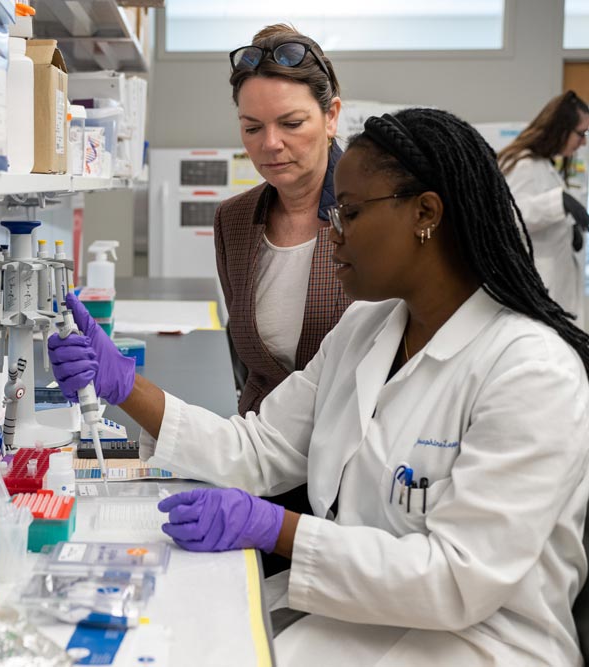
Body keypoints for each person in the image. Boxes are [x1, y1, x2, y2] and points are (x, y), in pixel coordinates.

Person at [49, 108, 589, 665]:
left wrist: (277, 529)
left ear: (426, 213)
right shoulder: (365, 330)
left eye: (350, 212)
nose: (332, 232)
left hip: (479, 645)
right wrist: (124, 385)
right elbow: (258, 449)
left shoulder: (531, 371)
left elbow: (455, 580)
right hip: (360, 619)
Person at [218, 25, 353, 572]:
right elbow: (252, 361)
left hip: (357, 477)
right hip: (265, 466)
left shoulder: (374, 212)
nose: (269, 144)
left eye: (291, 123)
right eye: (252, 128)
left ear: (332, 115)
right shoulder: (235, 221)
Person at [499, 90, 589, 327]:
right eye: (580, 133)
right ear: (560, 129)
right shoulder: (524, 164)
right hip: (537, 287)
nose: (584, 142)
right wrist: (558, 202)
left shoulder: (545, 165)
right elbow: (508, 218)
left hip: (554, 285)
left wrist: (570, 232)